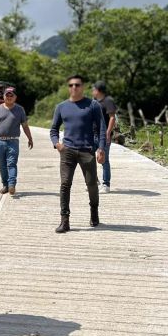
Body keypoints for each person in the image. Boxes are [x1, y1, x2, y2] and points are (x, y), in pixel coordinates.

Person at [50, 75, 106, 233]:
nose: (74, 87)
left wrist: (101, 148)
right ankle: (64, 220)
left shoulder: (93, 105)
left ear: (83, 86)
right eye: (71, 85)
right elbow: (53, 129)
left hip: (87, 151)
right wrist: (57, 144)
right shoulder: (61, 107)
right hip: (67, 151)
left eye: (77, 85)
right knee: (65, 184)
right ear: (68, 87)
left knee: (92, 184)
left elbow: (102, 128)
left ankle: (94, 211)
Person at [0, 86, 34, 195]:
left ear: (15, 97)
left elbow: (25, 125)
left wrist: (30, 138)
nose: (9, 97)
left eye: (12, 95)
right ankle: (5, 185)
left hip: (13, 141)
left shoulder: (20, 110)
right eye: (7, 95)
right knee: (2, 164)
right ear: (4, 96)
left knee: (11, 163)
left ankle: (12, 185)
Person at [91, 81, 118, 193]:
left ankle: (106, 184)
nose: (92, 91)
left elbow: (112, 118)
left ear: (98, 90)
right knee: (89, 159)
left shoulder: (108, 101)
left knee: (104, 160)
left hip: (103, 135)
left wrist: (108, 132)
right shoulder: (94, 102)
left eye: (93, 89)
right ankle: (94, 182)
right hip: (92, 134)